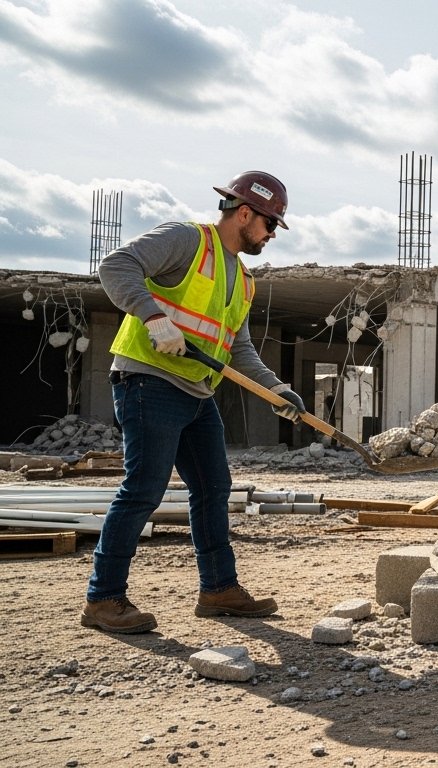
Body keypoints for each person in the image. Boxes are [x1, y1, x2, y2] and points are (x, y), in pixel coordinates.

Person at [81, 171, 305, 634]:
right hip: (149, 381)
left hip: (197, 392)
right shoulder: (186, 240)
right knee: (144, 487)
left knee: (213, 489)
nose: (270, 236)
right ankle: (103, 599)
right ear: (245, 213)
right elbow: (115, 266)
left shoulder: (243, 280)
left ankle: (218, 589)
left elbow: (238, 349)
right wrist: (153, 317)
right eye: (269, 226)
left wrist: (276, 389)